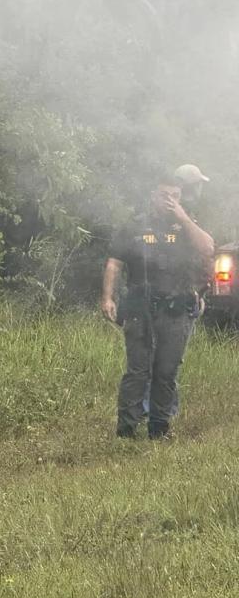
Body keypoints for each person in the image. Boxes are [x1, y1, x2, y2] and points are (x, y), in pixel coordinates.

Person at [101, 164, 215, 439]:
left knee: (166, 372)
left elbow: (208, 248)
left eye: (175, 195)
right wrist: (107, 298)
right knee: (137, 371)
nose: (170, 200)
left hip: (176, 309)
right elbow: (114, 264)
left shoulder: (186, 224)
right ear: (153, 195)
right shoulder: (134, 225)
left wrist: (183, 217)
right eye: (165, 195)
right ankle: (126, 431)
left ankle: (159, 430)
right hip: (140, 307)